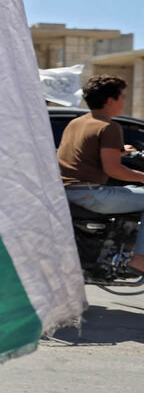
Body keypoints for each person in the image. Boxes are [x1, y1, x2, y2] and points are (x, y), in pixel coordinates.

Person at [58, 74, 144, 275]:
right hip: (89, 194)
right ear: (110, 100)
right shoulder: (109, 127)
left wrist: (120, 150)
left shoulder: (77, 123)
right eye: (122, 96)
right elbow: (114, 170)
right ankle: (139, 260)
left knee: (133, 191)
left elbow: (85, 153)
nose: (124, 100)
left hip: (67, 192)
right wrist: (141, 176)